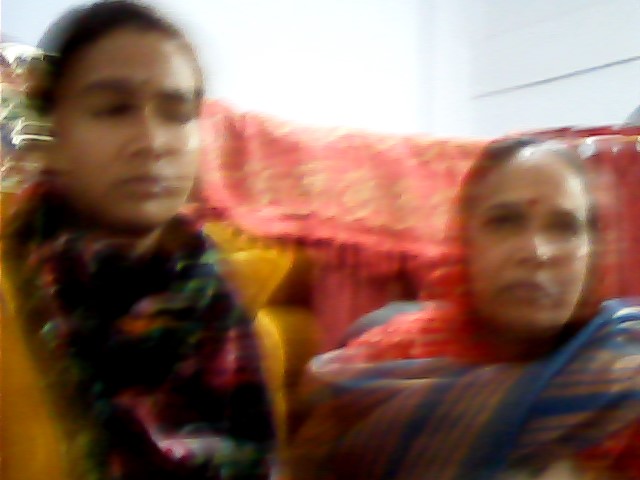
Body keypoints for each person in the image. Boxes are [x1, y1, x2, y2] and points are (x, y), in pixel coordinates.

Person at [1, 1, 275, 478]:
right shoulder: (12, 299)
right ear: (53, 135)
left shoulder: (221, 312)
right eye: (113, 109)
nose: (152, 142)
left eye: (177, 113)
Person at [288, 138, 640, 479]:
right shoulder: (386, 363)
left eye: (564, 226)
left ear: (594, 253)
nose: (536, 251)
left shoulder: (624, 375)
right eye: (504, 221)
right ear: (466, 240)